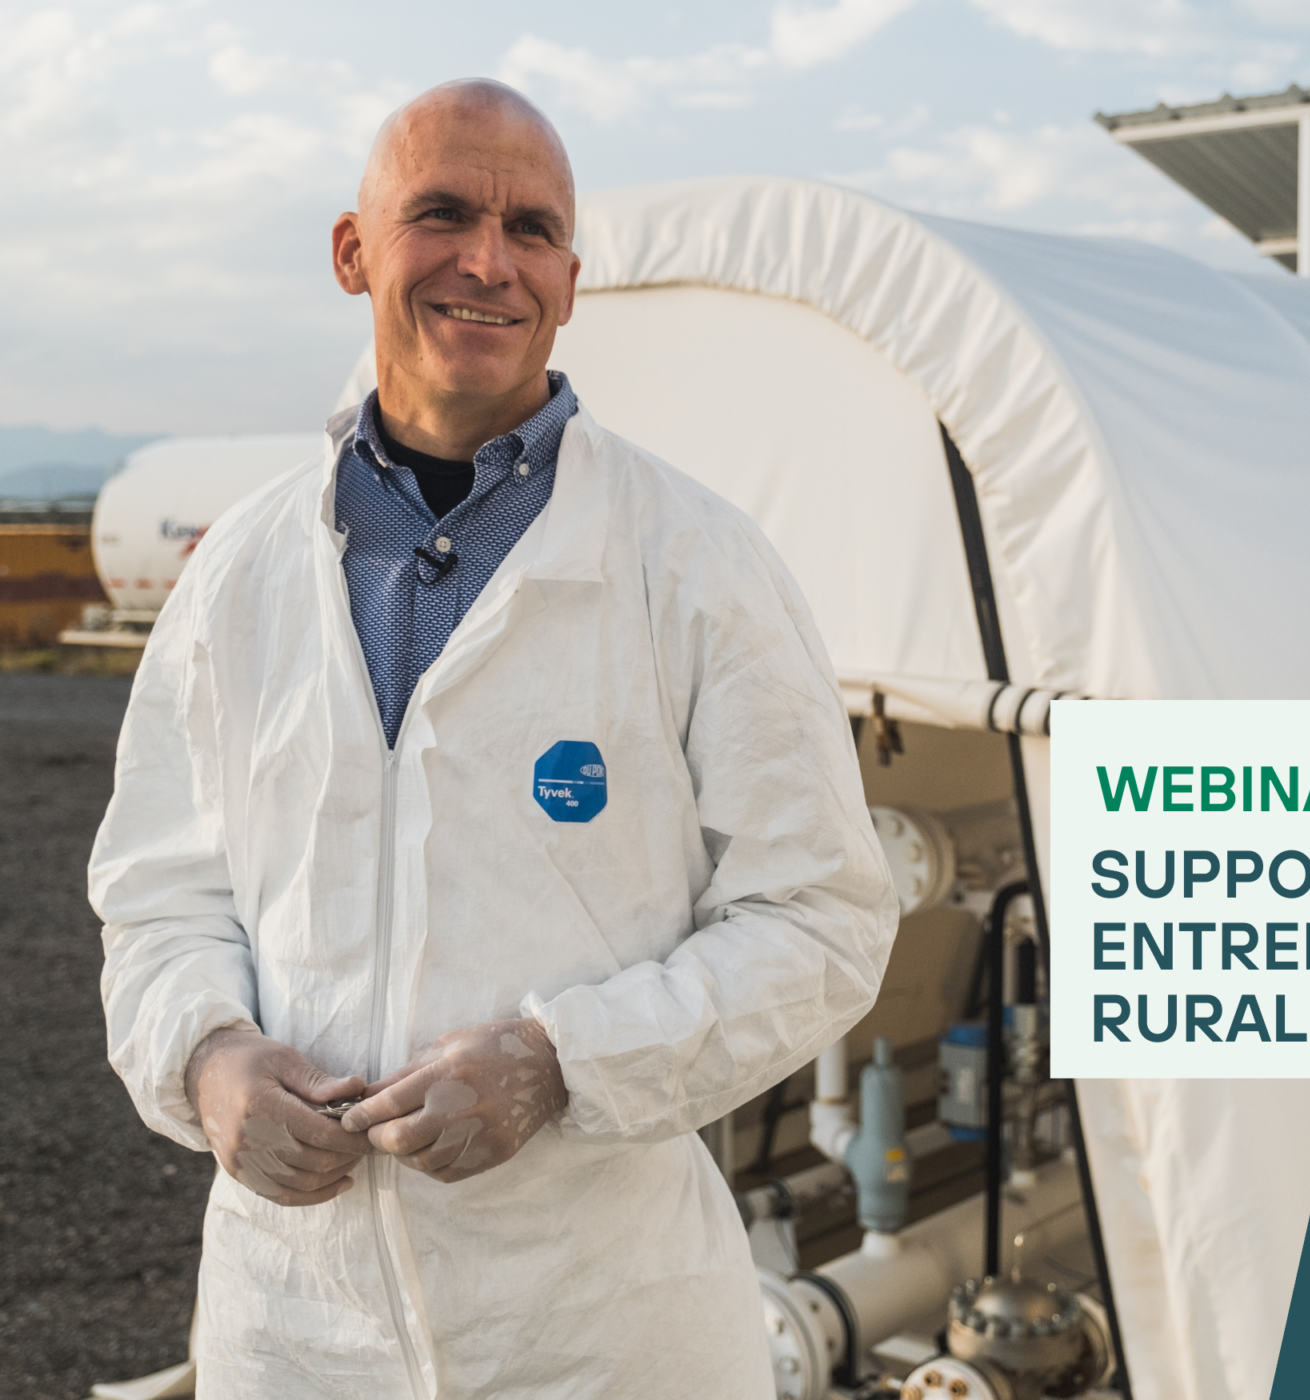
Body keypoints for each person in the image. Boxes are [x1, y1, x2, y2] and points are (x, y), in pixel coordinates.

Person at [90, 79, 898, 1399]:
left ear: (570, 280)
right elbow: (159, 900)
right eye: (443, 215)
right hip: (293, 1333)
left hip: (602, 1335)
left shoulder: (694, 562)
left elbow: (820, 921)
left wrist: (557, 1066)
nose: (489, 260)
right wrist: (210, 1059)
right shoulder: (240, 573)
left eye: (532, 229)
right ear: (354, 252)